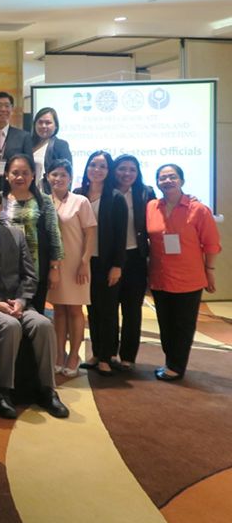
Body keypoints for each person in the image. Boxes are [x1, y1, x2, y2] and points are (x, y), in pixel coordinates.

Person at [0, 188, 69, 419]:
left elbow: (30, 274)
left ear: (0, 208)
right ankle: (3, 391)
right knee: (10, 326)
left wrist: (21, 300)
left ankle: (48, 390)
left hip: (18, 302)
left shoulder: (16, 235)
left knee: (44, 325)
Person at [147, 164, 220, 381]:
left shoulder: (199, 209)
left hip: (189, 277)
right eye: (162, 178)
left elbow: (211, 244)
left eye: (172, 177)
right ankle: (171, 362)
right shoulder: (152, 206)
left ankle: (176, 367)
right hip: (160, 276)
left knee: (183, 325)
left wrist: (210, 271)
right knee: (166, 324)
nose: (167, 181)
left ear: (182, 181)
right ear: (157, 182)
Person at [76, 151, 128, 377]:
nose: (97, 170)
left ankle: (107, 357)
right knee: (92, 309)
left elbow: (120, 236)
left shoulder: (116, 198)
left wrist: (117, 265)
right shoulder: (78, 194)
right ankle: (96, 353)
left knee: (108, 310)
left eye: (103, 166)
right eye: (93, 165)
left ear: (109, 171)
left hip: (107, 263)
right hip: (84, 262)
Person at [44, 160, 96, 378]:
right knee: (58, 310)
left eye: (63, 175)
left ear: (70, 178)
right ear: (48, 177)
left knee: (75, 310)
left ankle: (74, 355)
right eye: (54, 174)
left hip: (76, 264)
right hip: (54, 264)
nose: (58, 178)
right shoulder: (44, 201)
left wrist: (84, 262)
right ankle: (59, 354)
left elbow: (91, 233)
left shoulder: (80, 201)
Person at [109, 154, 156, 371]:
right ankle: (108, 352)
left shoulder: (145, 193)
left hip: (136, 258)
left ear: (138, 173)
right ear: (114, 170)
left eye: (132, 169)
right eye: (122, 168)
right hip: (110, 259)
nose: (126, 173)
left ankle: (128, 356)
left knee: (132, 310)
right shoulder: (106, 191)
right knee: (109, 308)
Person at [2, 154, 64, 312]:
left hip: (37, 269)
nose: (20, 177)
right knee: (10, 313)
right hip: (6, 271)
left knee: (36, 313)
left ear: (33, 175)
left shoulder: (44, 200)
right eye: (15, 172)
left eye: (25, 173)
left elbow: (54, 235)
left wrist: (55, 268)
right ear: (6, 174)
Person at [30, 107, 72, 186]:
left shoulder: (61, 145)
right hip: (28, 191)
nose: (43, 126)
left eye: (48, 123)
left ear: (56, 126)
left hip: (49, 191)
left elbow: (67, 174)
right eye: (40, 122)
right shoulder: (27, 144)